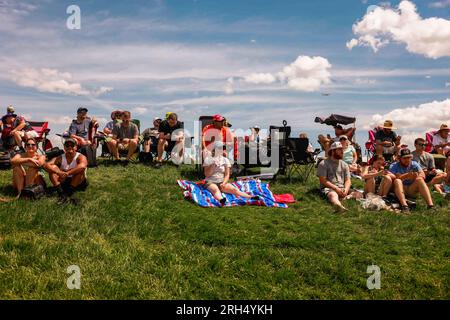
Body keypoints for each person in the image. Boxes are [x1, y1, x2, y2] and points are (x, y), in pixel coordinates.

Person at [203, 141, 259, 206]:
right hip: (210, 181)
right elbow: (207, 174)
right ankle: (221, 200)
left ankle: (250, 197)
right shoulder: (208, 159)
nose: (222, 150)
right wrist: (213, 164)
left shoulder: (225, 160)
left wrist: (224, 183)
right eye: (219, 148)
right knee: (215, 189)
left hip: (221, 182)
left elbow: (227, 174)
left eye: (222, 148)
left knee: (234, 189)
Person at [385, 148, 434, 212]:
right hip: (399, 189)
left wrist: (416, 176)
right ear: (400, 158)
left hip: (411, 188)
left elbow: (423, 174)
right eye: (404, 158)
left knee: (420, 180)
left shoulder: (414, 164)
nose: (407, 160)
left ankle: (430, 205)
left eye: (409, 158)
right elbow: (393, 179)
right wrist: (407, 176)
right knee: (397, 181)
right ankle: (404, 206)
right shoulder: (394, 165)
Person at [317, 142, 361, 212]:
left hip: (342, 188)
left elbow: (348, 180)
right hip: (329, 188)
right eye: (339, 149)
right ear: (333, 151)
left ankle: (344, 198)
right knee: (333, 195)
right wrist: (336, 188)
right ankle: (339, 207)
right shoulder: (323, 164)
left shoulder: (344, 164)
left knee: (359, 194)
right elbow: (323, 180)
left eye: (342, 149)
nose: (342, 151)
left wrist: (346, 190)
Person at [45, 138, 88, 204]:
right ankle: (61, 194)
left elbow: (83, 166)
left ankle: (70, 192)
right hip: (64, 181)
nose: (69, 147)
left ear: (76, 147)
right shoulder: (60, 157)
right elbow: (47, 165)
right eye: (67, 145)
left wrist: (67, 173)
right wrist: (58, 172)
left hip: (79, 182)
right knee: (53, 169)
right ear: (64, 148)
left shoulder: (80, 156)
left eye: (72, 145)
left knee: (80, 170)